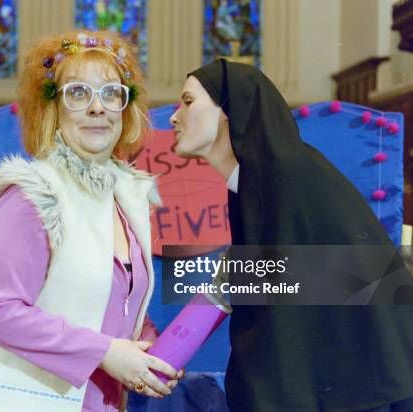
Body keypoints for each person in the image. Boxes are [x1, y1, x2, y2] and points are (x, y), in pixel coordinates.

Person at [0, 30, 183, 412]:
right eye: (78, 93)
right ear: (52, 108)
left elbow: (112, 302)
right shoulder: (32, 196)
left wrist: (147, 353)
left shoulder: (126, 196)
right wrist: (106, 352)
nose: (98, 108)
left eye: (111, 93)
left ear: (124, 109)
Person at [169, 59, 413, 411]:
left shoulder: (289, 175)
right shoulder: (256, 180)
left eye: (188, 102)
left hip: (358, 387)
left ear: (229, 111)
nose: (175, 117)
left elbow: (354, 278)